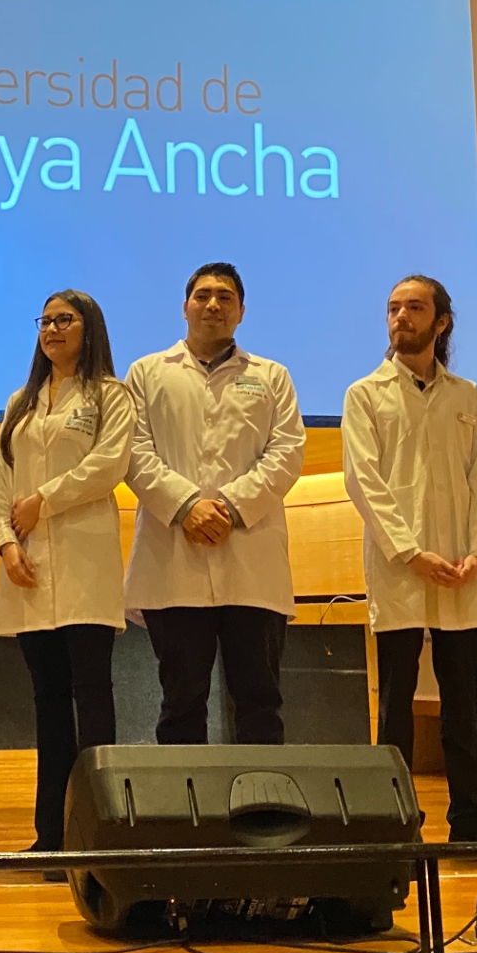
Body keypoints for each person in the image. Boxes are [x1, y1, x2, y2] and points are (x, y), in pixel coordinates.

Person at [342, 275, 477, 850]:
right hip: (401, 568)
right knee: (396, 705)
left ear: (441, 322)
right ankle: (393, 828)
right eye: (393, 307)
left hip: (462, 568)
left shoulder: (467, 396)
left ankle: (470, 824)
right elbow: (363, 481)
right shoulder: (365, 394)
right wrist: (411, 553)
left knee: (464, 706)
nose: (401, 317)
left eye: (414, 307)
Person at [124, 263, 305, 745]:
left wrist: (227, 506)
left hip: (251, 558)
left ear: (241, 311)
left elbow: (287, 451)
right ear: (184, 307)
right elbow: (133, 451)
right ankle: (185, 799)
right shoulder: (146, 373)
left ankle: (263, 795)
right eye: (202, 295)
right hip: (173, 560)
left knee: (259, 700)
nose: (213, 305)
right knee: (180, 702)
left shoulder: (272, 376)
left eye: (225, 297)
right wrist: (186, 506)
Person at [0, 290, 135, 855]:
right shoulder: (20, 402)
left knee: (92, 698)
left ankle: (100, 835)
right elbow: (0, 484)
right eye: (45, 321)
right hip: (27, 567)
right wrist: (5, 544)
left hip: (84, 564)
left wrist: (43, 502)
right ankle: (50, 835)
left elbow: (108, 465)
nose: (51, 329)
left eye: (64, 320)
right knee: (48, 704)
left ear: (88, 327)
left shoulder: (110, 395)